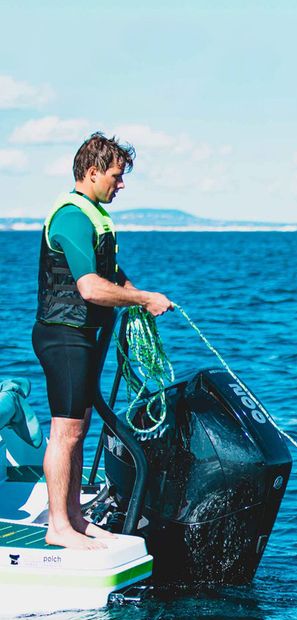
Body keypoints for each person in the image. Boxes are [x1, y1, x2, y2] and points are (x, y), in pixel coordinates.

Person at [32, 132, 173, 550]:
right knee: (67, 432)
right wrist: (143, 298)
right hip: (65, 337)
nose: (122, 184)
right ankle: (59, 526)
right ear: (92, 173)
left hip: (85, 337)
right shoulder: (73, 216)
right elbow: (91, 288)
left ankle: (75, 516)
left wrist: (134, 296)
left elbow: (110, 270)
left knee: (79, 428)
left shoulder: (94, 215)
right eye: (117, 175)